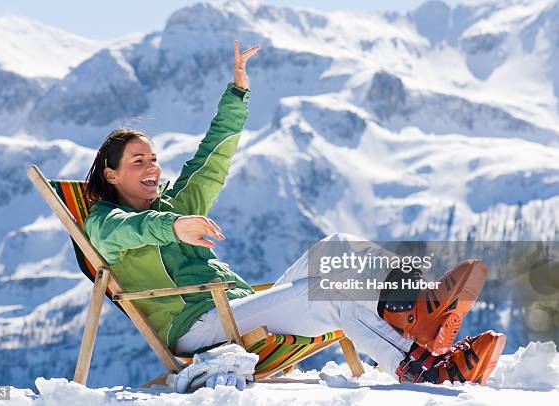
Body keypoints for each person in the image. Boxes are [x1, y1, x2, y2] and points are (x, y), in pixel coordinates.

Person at [83, 40, 505, 385]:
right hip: (201, 330)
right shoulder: (102, 222)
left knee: (339, 248)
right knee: (337, 292)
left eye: (153, 159)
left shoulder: (174, 204)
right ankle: (423, 368)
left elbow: (211, 159)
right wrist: (174, 226)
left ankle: (417, 315)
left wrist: (237, 92)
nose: (152, 168)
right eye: (138, 161)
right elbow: (131, 229)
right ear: (112, 175)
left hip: (239, 308)